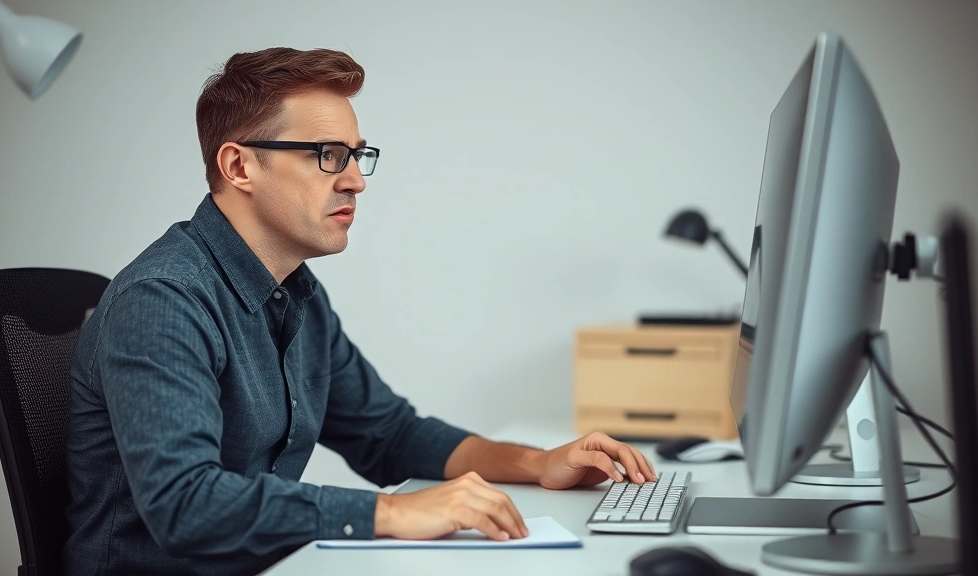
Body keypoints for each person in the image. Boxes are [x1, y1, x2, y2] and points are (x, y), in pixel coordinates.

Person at [59, 46, 656, 576]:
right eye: (326, 154)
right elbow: (186, 506)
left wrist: (538, 463)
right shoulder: (163, 300)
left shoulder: (295, 294)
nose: (355, 181)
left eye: (356, 154)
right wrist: (393, 511)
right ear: (238, 166)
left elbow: (390, 435)